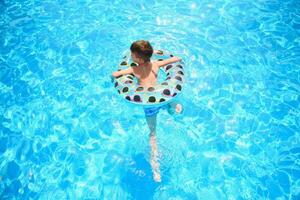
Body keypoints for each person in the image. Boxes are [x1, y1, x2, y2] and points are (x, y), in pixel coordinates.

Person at [112, 40, 183, 182]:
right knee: (168, 104)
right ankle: (174, 107)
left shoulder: (135, 70)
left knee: (152, 134)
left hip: (149, 105)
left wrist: (113, 75)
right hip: (163, 98)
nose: (130, 57)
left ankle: (156, 169)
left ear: (138, 58)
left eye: (132, 55)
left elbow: (116, 74)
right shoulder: (156, 64)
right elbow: (176, 59)